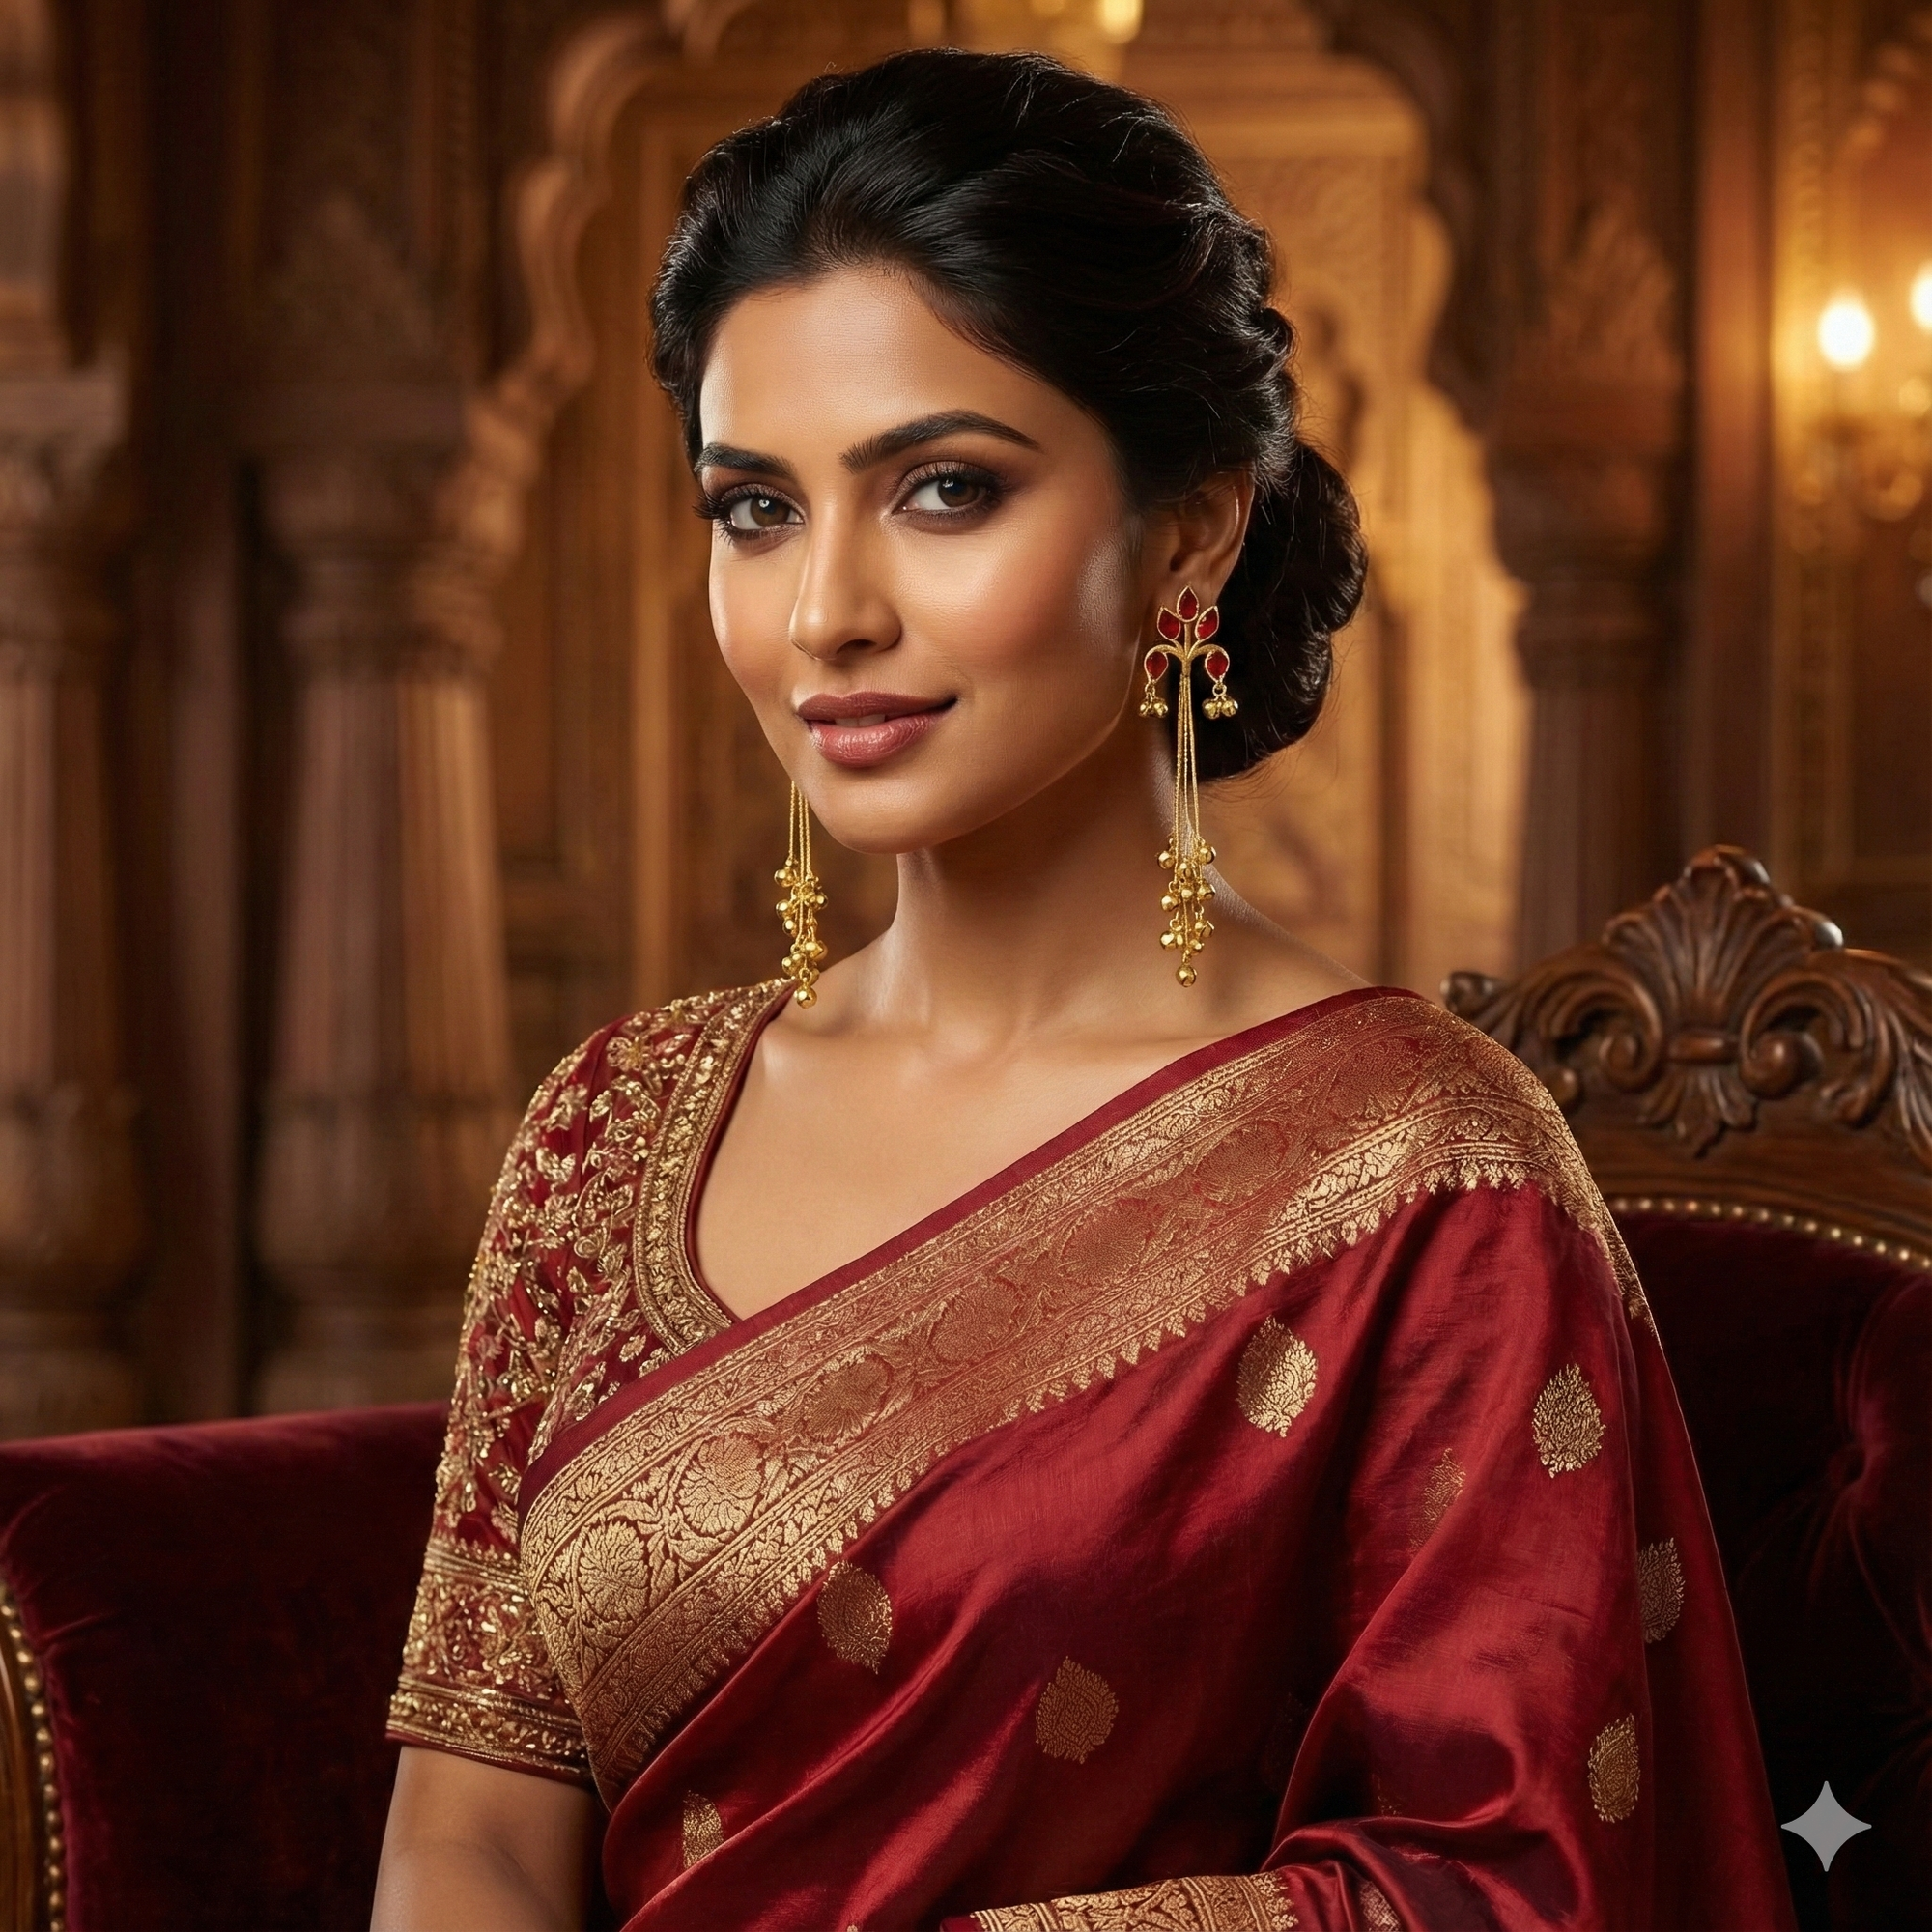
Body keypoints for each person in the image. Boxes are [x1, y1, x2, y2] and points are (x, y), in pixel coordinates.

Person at [371, 47, 1797, 1932]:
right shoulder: (605, 1125)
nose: (824, 615)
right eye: (755, 509)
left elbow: (1508, 1881)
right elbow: (469, 1831)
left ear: (1190, 530)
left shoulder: (1420, 1183)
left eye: (942, 490)